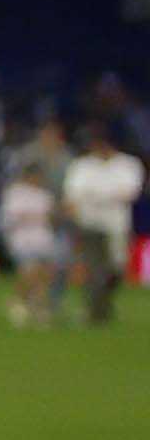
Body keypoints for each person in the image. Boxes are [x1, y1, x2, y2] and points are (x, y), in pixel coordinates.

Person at [0, 122, 73, 327]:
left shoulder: (44, 193)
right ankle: (20, 301)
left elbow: (51, 215)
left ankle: (38, 306)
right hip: (22, 238)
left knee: (45, 273)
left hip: (43, 237)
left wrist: (60, 214)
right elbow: (13, 217)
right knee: (30, 271)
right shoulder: (16, 192)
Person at [69, 121, 144, 328]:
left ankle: (102, 303)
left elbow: (130, 192)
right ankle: (95, 311)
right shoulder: (83, 166)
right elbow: (73, 196)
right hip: (89, 223)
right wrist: (107, 196)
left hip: (117, 225)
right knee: (94, 269)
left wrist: (94, 196)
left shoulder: (128, 164)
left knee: (117, 268)